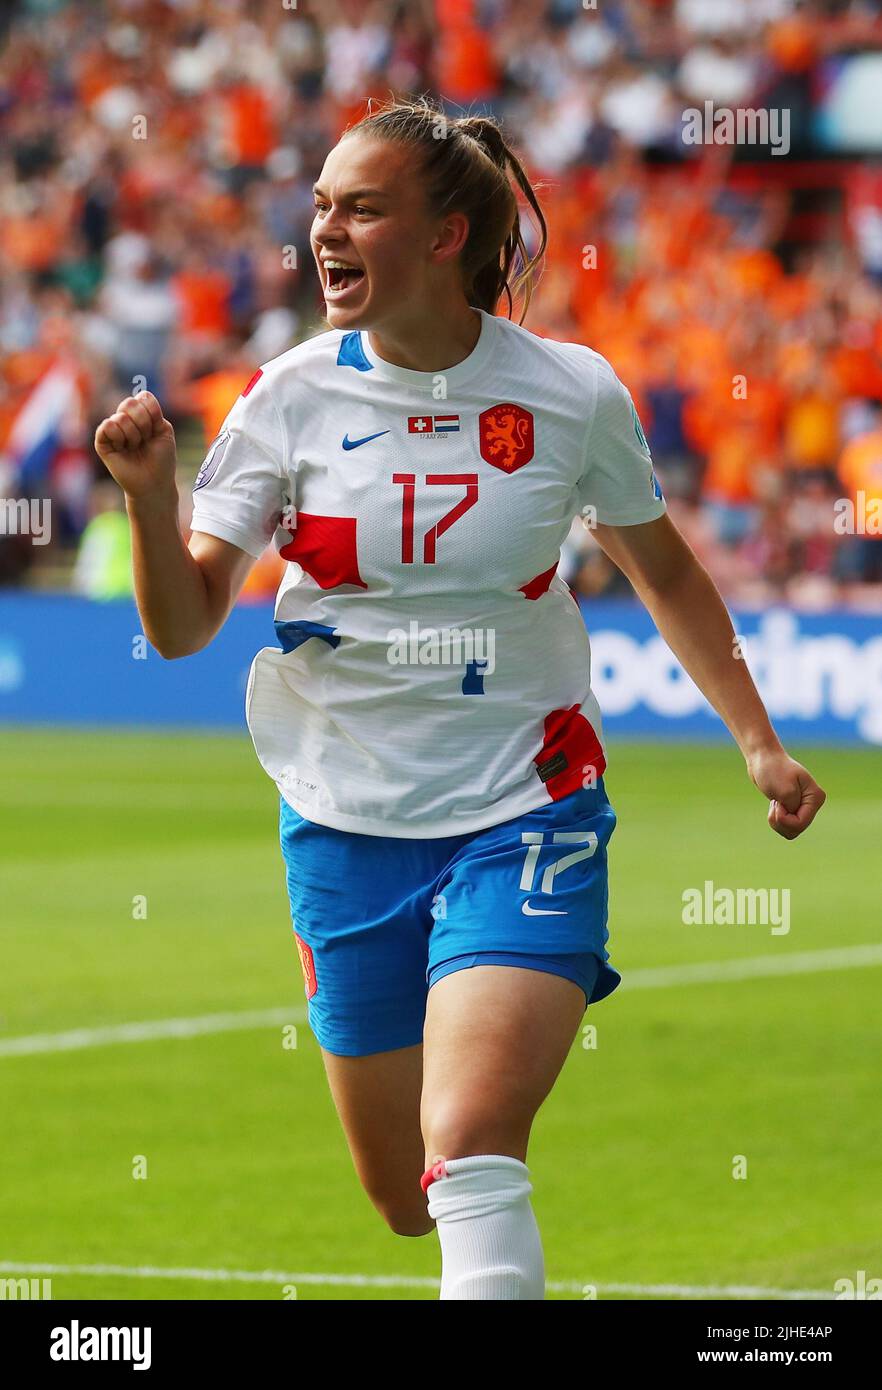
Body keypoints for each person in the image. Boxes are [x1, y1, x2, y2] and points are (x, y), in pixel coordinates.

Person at [94, 96, 826, 1301]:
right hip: (342, 821)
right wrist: (147, 495)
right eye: (322, 203)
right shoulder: (283, 395)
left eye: (360, 207)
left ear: (444, 236)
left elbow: (672, 576)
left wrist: (757, 742)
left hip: (525, 805)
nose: (324, 226)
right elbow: (180, 629)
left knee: (471, 1141)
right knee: (400, 1197)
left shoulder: (570, 392)